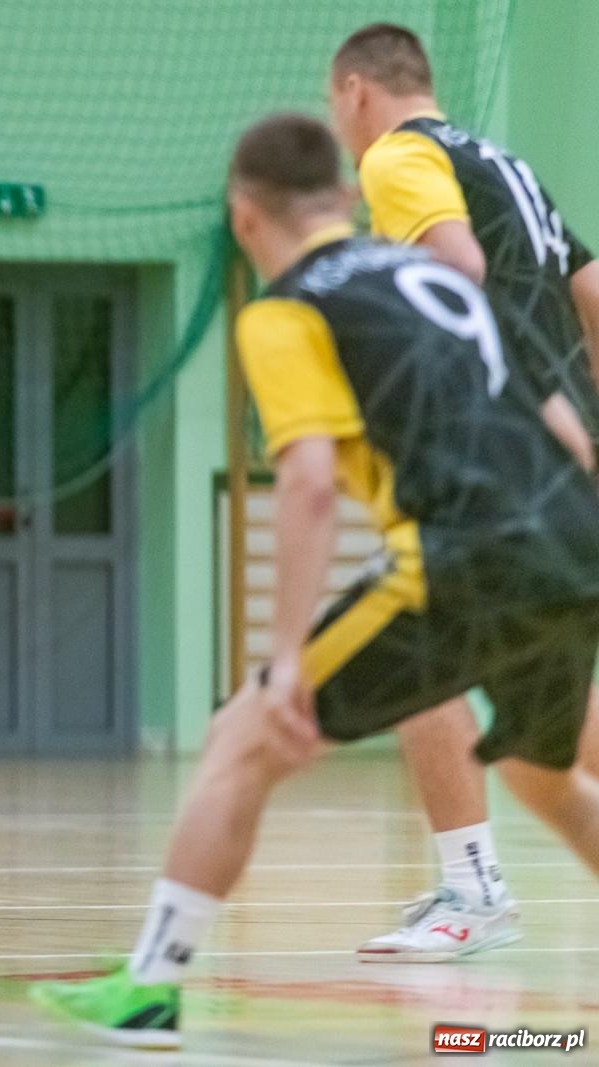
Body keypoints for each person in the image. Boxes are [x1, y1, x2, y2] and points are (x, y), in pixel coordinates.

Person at [31, 113, 599, 1050]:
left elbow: (304, 486)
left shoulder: (288, 309)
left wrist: (286, 660)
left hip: (464, 554)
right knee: (546, 778)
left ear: (244, 217)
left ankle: (150, 987)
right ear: (343, 196)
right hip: (576, 540)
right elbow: (569, 428)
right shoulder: (439, 275)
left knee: (241, 730)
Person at [329, 22, 599, 961]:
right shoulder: (507, 167)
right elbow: (593, 292)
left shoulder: (397, 160)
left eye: (338, 106)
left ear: (358, 90)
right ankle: (472, 883)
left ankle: (473, 888)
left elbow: (454, 269)